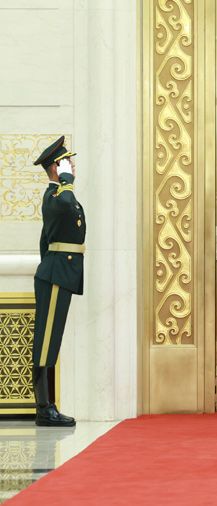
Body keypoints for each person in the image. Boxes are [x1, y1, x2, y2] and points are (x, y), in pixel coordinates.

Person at [31, 136, 84, 427]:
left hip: (57, 273)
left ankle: (47, 406)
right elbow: (65, 204)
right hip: (55, 275)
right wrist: (66, 180)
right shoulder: (56, 196)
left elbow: (45, 241)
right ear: (56, 167)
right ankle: (44, 408)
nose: (72, 166)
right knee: (46, 342)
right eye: (66, 162)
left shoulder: (60, 196)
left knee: (52, 340)